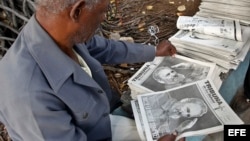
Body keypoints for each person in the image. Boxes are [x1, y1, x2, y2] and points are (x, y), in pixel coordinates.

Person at [0, 0, 181, 141]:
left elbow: (103, 48)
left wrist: (153, 52)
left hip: (100, 126)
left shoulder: (57, 31)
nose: (104, 18)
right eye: (103, 11)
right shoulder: (29, 97)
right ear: (77, 11)